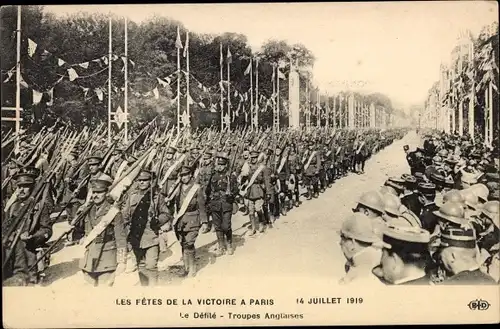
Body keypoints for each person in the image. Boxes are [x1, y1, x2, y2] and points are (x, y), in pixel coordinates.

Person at [121, 170, 170, 286]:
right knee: (141, 265)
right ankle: (144, 289)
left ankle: (152, 291)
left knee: (151, 265)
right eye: (140, 180)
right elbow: (125, 215)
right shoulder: (132, 196)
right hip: (136, 235)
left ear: (150, 181)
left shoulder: (156, 197)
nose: (142, 182)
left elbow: (166, 214)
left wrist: (158, 220)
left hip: (151, 236)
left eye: (145, 180)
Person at [2, 171, 53, 286]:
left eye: (25, 187)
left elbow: (47, 230)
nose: (21, 190)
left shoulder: (40, 206)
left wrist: (33, 237)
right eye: (19, 186)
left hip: (29, 251)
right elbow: (6, 227)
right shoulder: (13, 206)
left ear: (32, 188)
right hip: (12, 252)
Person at [79, 174, 127, 286]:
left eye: (99, 192)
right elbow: (82, 230)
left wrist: (122, 261)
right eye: (94, 192)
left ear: (106, 193)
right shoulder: (88, 210)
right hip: (90, 256)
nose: (96, 195)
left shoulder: (113, 212)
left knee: (104, 291)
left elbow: (120, 238)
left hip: (107, 256)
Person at [162, 166, 208, 277]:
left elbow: (201, 206)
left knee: (189, 243)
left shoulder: (196, 188)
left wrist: (204, 222)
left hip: (193, 219)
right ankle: (186, 267)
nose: (184, 177)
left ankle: (192, 268)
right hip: (180, 220)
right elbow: (171, 203)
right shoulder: (177, 188)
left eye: (186, 175)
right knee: (183, 243)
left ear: (190, 175)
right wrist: (168, 201)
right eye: (182, 175)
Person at [206, 152, 238, 256]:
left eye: (222, 165)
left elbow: (236, 190)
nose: (220, 167)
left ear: (226, 165)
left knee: (226, 226)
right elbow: (208, 189)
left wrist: (231, 193)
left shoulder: (230, 176)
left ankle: (229, 244)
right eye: (218, 164)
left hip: (226, 203)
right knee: (217, 226)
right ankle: (221, 246)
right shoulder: (213, 175)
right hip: (215, 203)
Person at [338, 213, 383, 285]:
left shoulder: (356, 274)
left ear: (352, 243)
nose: (340, 243)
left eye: (343, 239)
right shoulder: (379, 258)